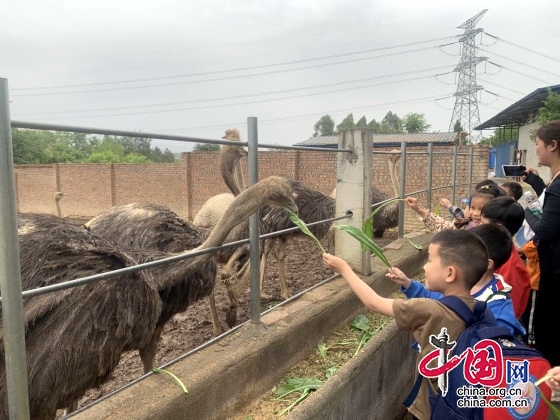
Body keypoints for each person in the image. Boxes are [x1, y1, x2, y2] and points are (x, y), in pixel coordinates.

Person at [323, 229, 488, 420]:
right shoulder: (481, 308)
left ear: (450, 273)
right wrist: (408, 283)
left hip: (431, 410)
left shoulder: (430, 310)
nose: (425, 267)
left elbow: (373, 302)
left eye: (430, 260)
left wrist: (344, 269)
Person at [388, 223, 525, 337]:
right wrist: (408, 284)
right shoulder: (459, 283)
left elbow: (499, 345)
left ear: (487, 264)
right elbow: (433, 298)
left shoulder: (498, 305)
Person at [521, 119, 560, 367]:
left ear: (553, 145)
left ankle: (551, 382)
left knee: (549, 326)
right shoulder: (555, 183)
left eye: (537, 144)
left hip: (555, 271)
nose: (535, 149)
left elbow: (546, 230)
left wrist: (526, 211)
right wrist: (537, 185)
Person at [480, 196, 531, 318]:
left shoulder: (510, 268)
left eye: (483, 224)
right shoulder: (496, 253)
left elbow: (507, 314)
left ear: (497, 228)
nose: (478, 228)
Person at [406, 184, 504, 232]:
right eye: (472, 207)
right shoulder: (465, 224)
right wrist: (418, 209)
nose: (475, 213)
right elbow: (442, 227)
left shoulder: (493, 237)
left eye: (482, 209)